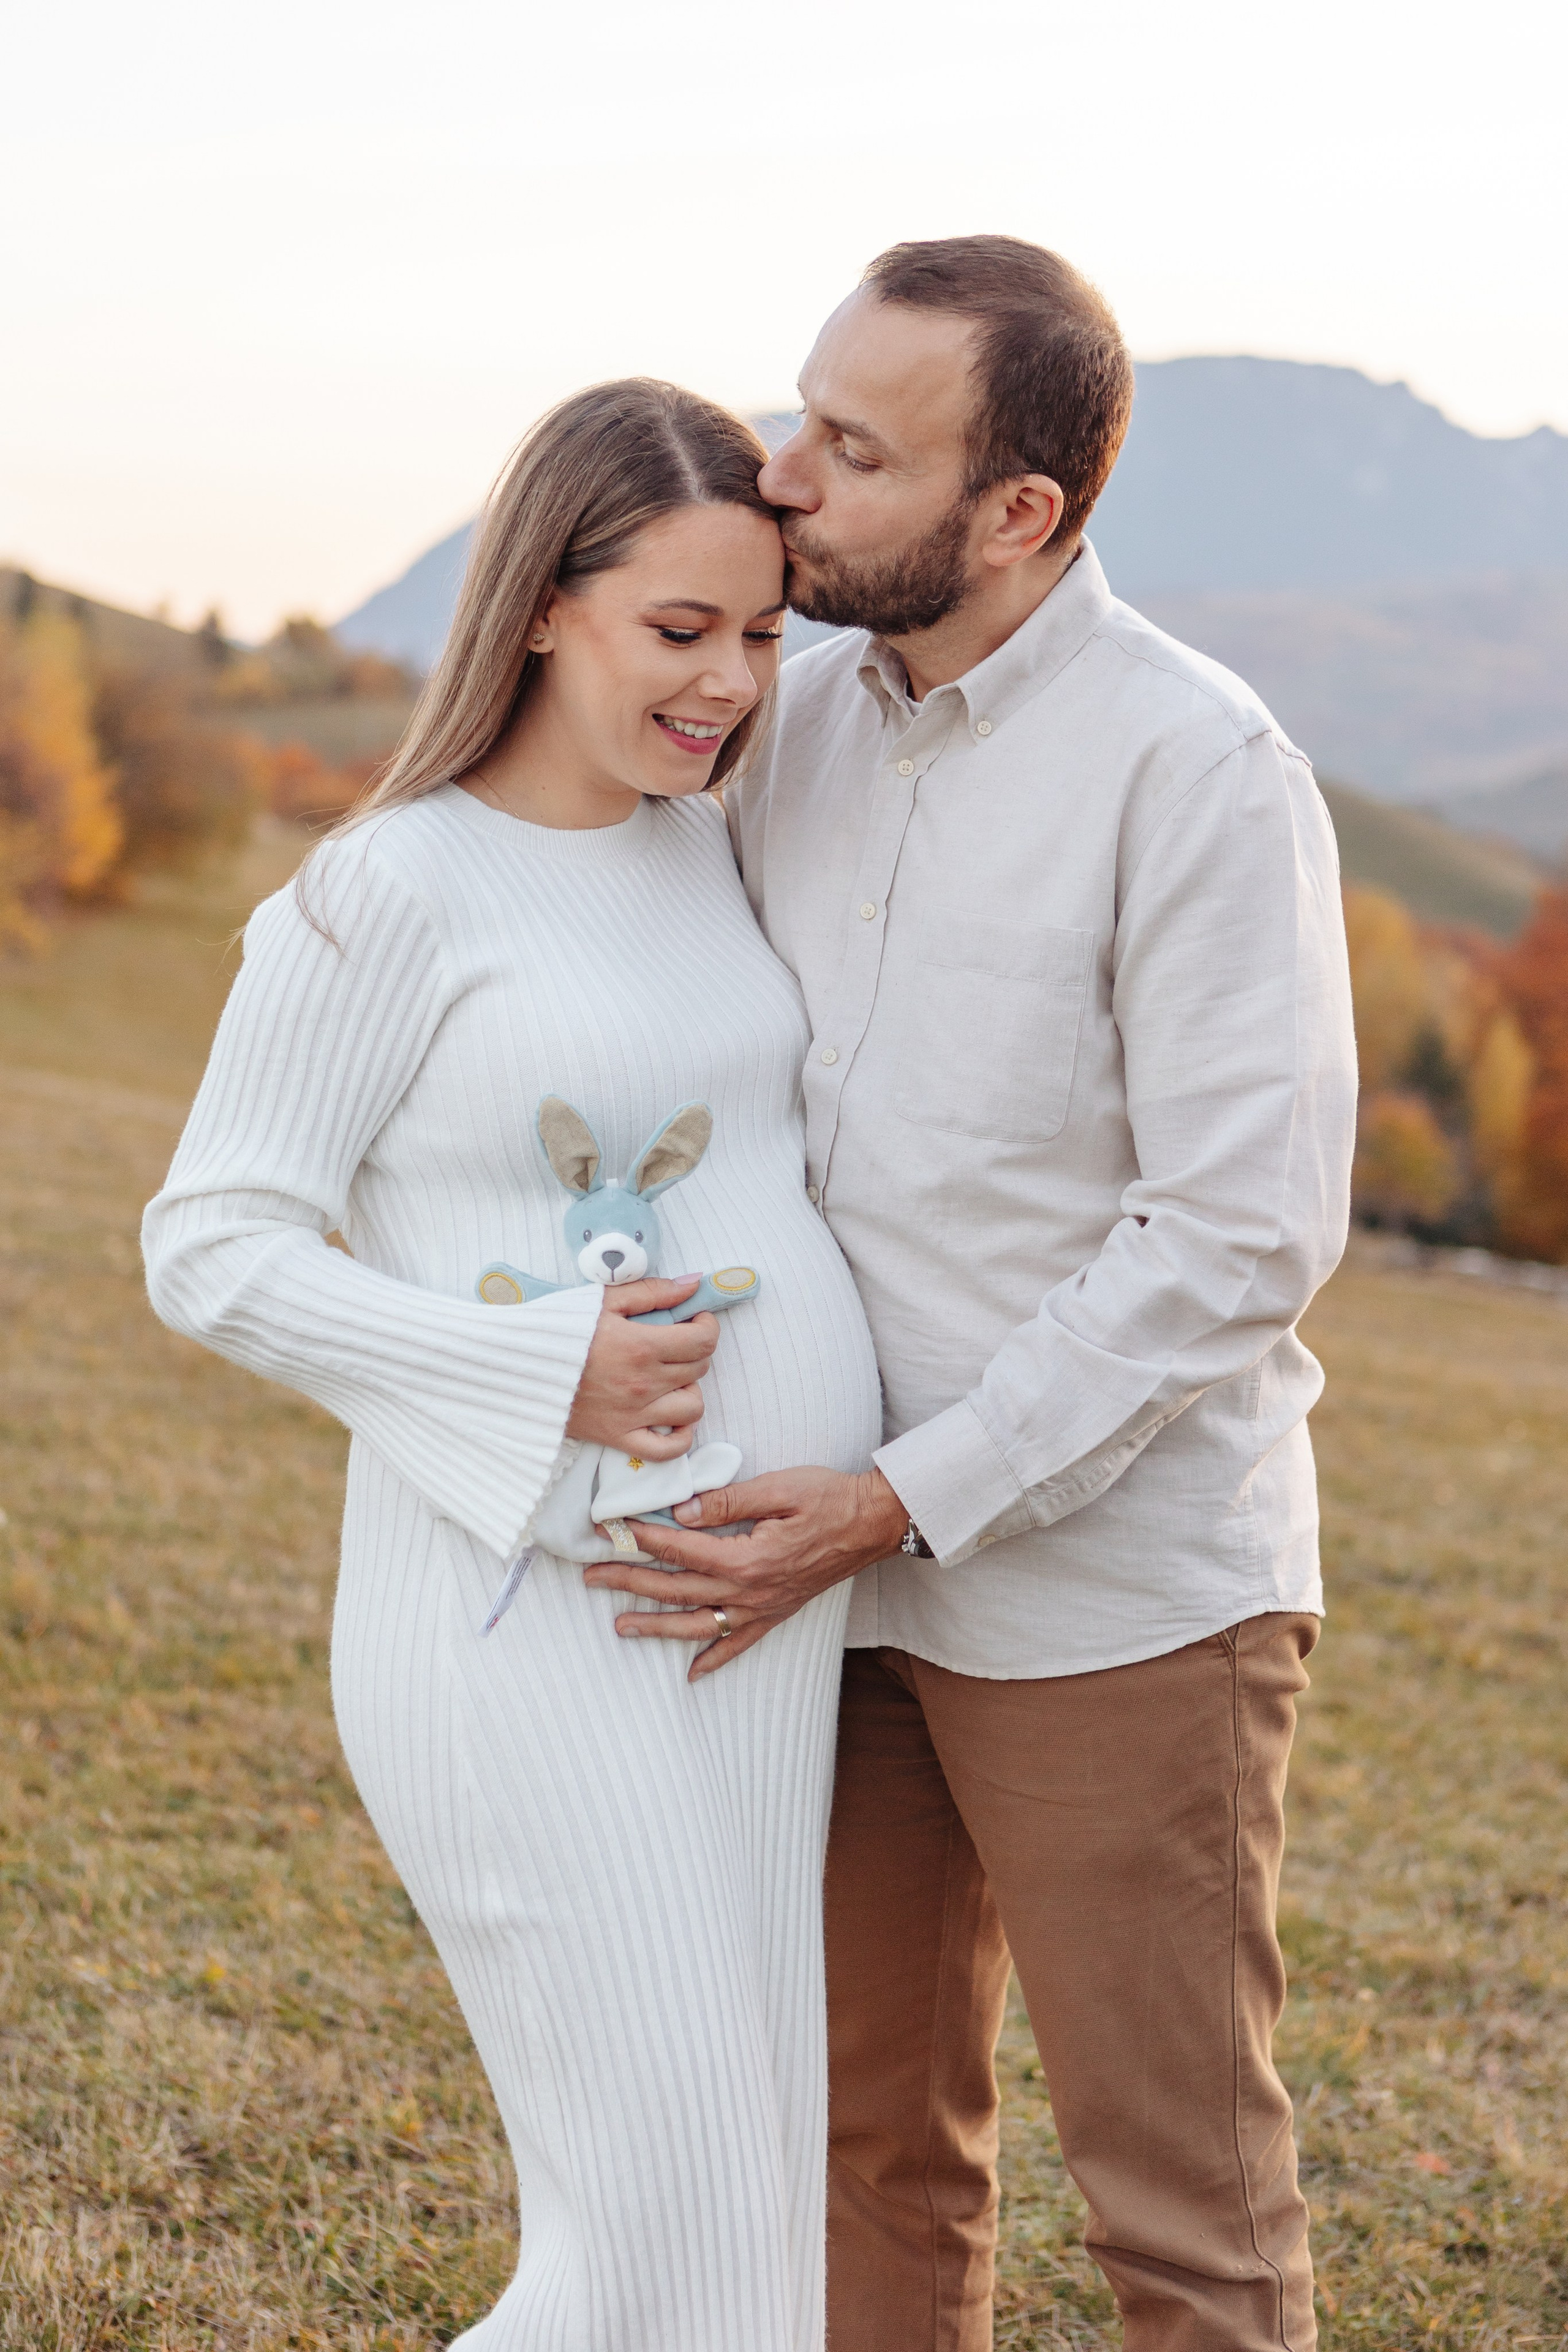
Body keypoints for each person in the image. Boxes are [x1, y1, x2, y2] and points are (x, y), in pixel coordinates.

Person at [598, 238, 1359, 2350]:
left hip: (1114, 1595)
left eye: (855, 448)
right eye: (802, 412)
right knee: (859, 2159)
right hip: (820, 1585)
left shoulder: (1199, 771)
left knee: (1182, 2216)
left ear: (1018, 515)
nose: (783, 478)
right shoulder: (787, 706)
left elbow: (1241, 1233)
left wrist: (908, 1490)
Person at [140, 380, 883, 2352]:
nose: (729, 682)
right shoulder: (388, 890)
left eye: (759, 631)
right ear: (545, 604)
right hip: (521, 1638)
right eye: (679, 631)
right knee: (655, 2248)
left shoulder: (699, 851)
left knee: (743, 2239)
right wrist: (537, 1369)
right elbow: (205, 1246)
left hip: (740, 1636)